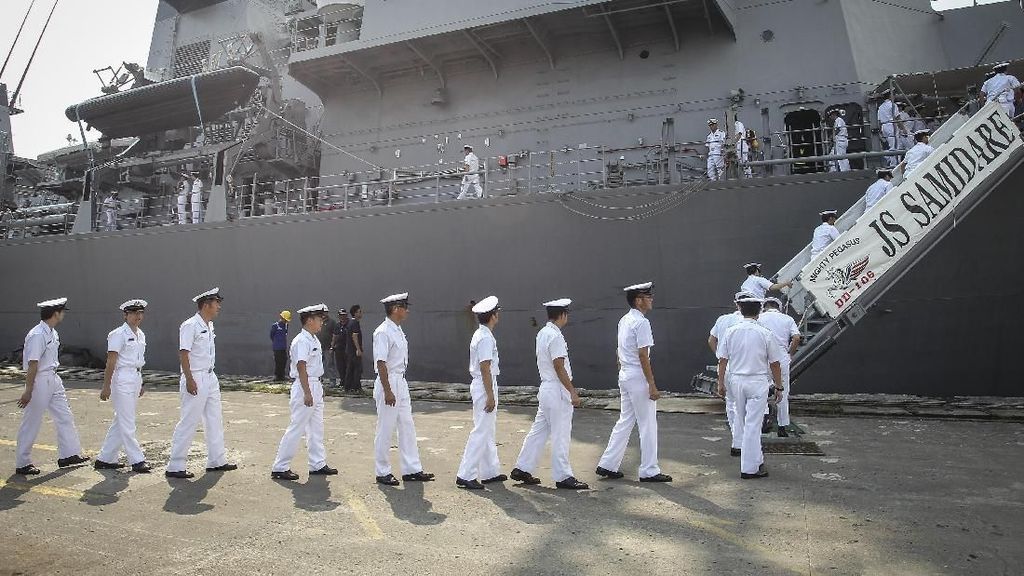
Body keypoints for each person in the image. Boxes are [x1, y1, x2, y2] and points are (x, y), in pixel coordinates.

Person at [596, 282, 672, 482]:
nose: (652, 299)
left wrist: (622, 370)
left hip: (626, 375)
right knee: (648, 424)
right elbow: (643, 355)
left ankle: (607, 464)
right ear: (639, 300)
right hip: (638, 377)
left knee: (626, 420)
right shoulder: (642, 323)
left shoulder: (624, 320)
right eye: (648, 296)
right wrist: (652, 384)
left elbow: (618, 349)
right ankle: (649, 470)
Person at [511, 298, 589, 490]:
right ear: (562, 315)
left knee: (538, 431)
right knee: (561, 434)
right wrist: (572, 391)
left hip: (546, 389)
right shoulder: (556, 336)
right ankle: (563, 476)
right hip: (557, 390)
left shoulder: (542, 333)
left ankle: (522, 468)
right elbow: (559, 365)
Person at [166, 288, 238, 479]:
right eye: (216, 303)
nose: (219, 307)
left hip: (210, 376)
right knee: (189, 420)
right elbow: (184, 353)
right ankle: (175, 465)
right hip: (195, 376)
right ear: (206, 305)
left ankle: (216, 460)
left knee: (214, 418)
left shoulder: (208, 325)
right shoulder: (190, 325)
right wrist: (189, 378)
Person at [14, 298, 89, 475]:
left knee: (65, 415)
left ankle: (69, 454)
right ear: (56, 313)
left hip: (53, 378)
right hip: (39, 380)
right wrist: (28, 390)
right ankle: (22, 462)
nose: (63, 314)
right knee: (32, 421)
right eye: (62, 311)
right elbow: (33, 364)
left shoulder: (52, 332)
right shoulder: (37, 334)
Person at [715, 293, 784, 479]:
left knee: (742, 421)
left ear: (739, 308)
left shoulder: (730, 331)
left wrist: (720, 383)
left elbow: (722, 360)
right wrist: (779, 386)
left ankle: (756, 460)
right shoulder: (765, 333)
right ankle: (749, 468)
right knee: (753, 425)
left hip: (736, 380)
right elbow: (775, 363)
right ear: (760, 311)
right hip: (757, 381)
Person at [270, 304, 339, 481]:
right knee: (297, 427)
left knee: (316, 428)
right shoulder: (302, 340)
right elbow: (301, 366)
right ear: (309, 320)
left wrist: (317, 390)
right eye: (319, 319)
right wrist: (308, 393)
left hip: (314, 385)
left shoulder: (313, 339)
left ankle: (318, 464)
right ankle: (280, 467)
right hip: (304, 386)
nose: (322, 323)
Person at [372, 293, 434, 486]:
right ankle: (382, 471)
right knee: (386, 428)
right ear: (395, 309)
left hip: (400, 381)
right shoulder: (383, 331)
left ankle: (412, 469)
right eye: (404, 307)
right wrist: (388, 390)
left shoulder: (397, 330)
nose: (407, 310)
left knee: (407, 425)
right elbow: (381, 363)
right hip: (388, 382)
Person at [455, 296, 507, 490]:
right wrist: (490, 395)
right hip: (485, 385)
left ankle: (490, 471)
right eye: (497, 312)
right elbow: (485, 367)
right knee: (481, 430)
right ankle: (465, 474)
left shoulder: (481, 334)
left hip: (483, 384)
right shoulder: (485, 337)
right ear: (492, 316)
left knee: (487, 429)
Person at [94, 299, 152, 473]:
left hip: (134, 377)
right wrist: (106, 386)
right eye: (134, 313)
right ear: (125, 315)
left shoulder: (141, 334)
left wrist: (140, 383)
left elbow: (138, 362)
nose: (138, 316)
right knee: (127, 422)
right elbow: (111, 361)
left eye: (140, 313)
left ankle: (105, 458)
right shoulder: (117, 334)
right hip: (122, 378)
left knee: (121, 420)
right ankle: (137, 460)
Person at [708, 292, 752, 457]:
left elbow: (711, 340)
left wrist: (719, 357)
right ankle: (746, 443)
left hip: (726, 367)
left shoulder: (722, 319)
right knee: (748, 408)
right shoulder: (752, 322)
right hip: (746, 369)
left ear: (737, 304)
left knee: (731, 405)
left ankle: (737, 441)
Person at [758, 297, 801, 437]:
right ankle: (782, 427)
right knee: (783, 391)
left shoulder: (759, 318)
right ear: (779, 307)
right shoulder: (787, 319)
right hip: (781, 357)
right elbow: (796, 338)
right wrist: (790, 354)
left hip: (763, 357)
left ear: (765, 307)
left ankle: (764, 420)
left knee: (762, 389)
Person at [342, 305, 364, 392]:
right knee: (357, 369)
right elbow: (354, 336)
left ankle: (348, 387)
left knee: (350, 369)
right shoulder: (355, 323)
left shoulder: (350, 323)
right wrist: (358, 349)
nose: (361, 313)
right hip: (354, 351)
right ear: (355, 313)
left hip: (350, 350)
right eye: (359, 312)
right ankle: (356, 387)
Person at [877, 90, 899, 167]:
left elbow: (879, 120)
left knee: (887, 145)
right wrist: (903, 129)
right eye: (893, 95)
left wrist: (880, 131)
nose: (894, 96)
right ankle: (894, 164)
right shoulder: (893, 105)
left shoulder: (880, 107)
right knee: (894, 145)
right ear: (890, 96)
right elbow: (897, 118)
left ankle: (889, 160)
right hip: (891, 125)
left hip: (884, 126)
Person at [330, 308, 349, 391]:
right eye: (340, 315)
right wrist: (332, 346)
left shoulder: (349, 324)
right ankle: (342, 381)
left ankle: (347, 382)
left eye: (343, 315)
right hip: (339, 348)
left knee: (347, 366)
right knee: (340, 366)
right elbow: (335, 336)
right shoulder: (337, 325)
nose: (342, 317)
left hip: (347, 348)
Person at [318, 312, 338, 386]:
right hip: (319, 348)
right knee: (319, 364)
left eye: (325, 312)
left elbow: (335, 334)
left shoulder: (332, 322)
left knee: (330, 364)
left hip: (328, 347)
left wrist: (332, 346)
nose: (323, 314)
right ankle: (319, 379)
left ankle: (332, 380)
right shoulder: (318, 321)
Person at [271, 310, 291, 382]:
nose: (285, 321)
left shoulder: (286, 326)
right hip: (277, 347)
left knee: (284, 360)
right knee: (278, 361)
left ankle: (282, 375)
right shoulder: (275, 326)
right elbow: (272, 335)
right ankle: (277, 376)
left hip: (283, 347)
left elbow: (285, 334)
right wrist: (276, 342)